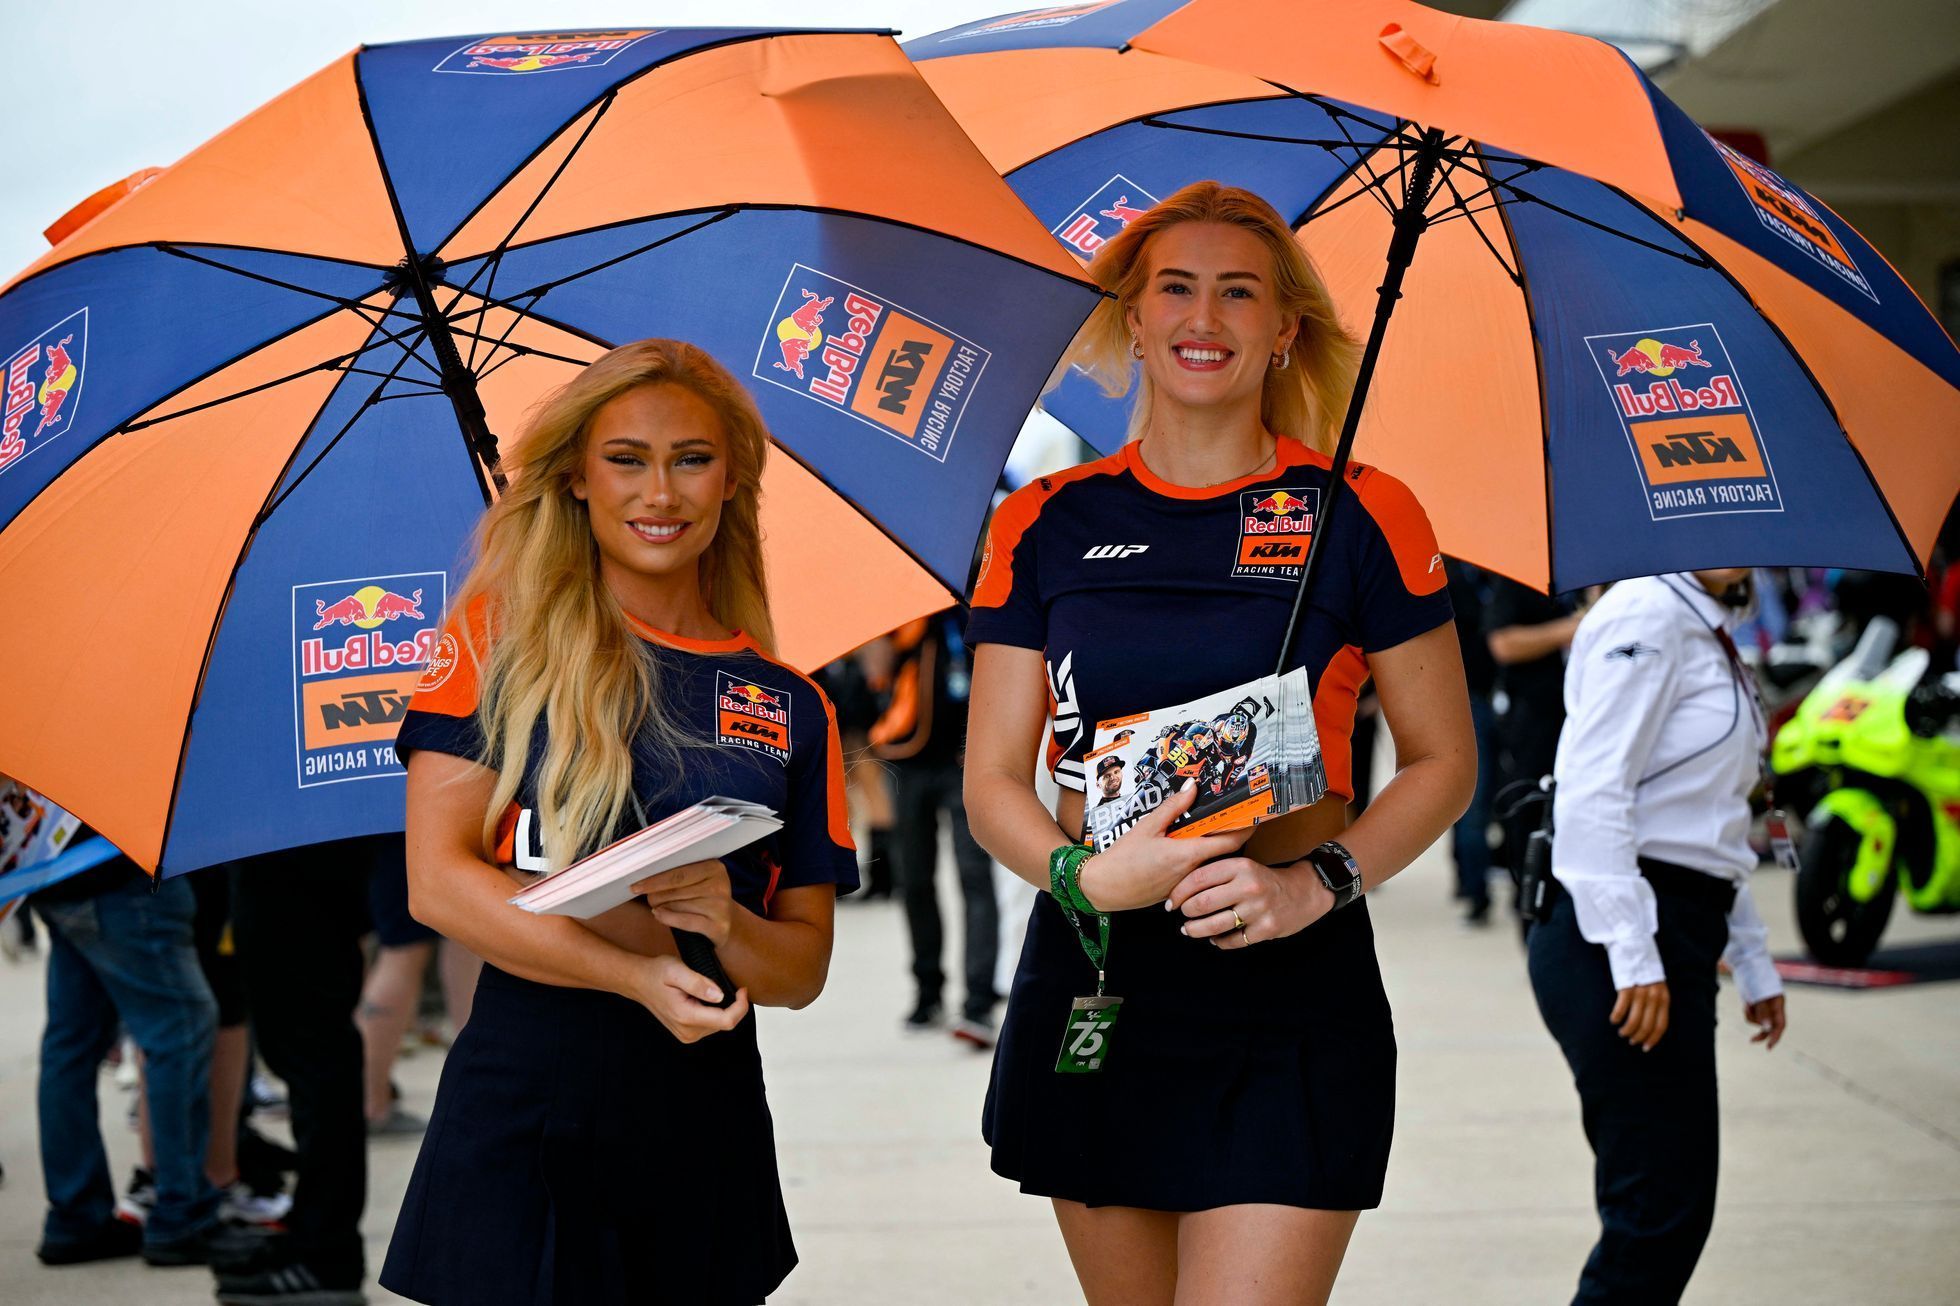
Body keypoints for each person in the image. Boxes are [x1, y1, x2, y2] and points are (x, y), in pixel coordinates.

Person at [963, 182, 1475, 1306]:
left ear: (1283, 328)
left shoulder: (1363, 510)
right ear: (1131, 320)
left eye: (1239, 292)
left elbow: (1445, 761)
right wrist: (1080, 876)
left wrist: (1317, 885)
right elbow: (993, 779)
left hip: (1289, 981)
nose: (1206, 317)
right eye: (1175, 289)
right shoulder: (1041, 519)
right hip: (1100, 974)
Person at [379, 339, 856, 1306]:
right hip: (526, 1091)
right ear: (578, 481)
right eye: (626, 459)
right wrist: (635, 976)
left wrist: (725, 919)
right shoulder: (494, 642)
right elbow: (437, 883)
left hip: (701, 1105)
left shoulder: (791, 704)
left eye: (690, 458)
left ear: (732, 481)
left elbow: (800, 972)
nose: (661, 492)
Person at [1529, 569, 1790, 1305]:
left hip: (1671, 925)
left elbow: (1710, 820)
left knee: (1666, 1203)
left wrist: (1754, 960)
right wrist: (1635, 958)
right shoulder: (1645, 612)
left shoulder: (1706, 623)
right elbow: (1593, 793)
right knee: (1656, 1212)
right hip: (1617, 936)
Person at [29, 842, 228, 1267]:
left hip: (57, 868)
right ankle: (184, 1213)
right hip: (120, 869)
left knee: (70, 1048)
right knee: (181, 1028)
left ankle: (76, 1216)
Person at [869, 610, 998, 1044]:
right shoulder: (902, 609)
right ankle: (928, 993)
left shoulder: (980, 605)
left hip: (968, 760)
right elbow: (876, 673)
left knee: (975, 878)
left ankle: (978, 1002)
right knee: (914, 880)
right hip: (907, 760)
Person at [1445, 559, 1499, 923]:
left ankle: (1482, 877)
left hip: (1510, 695)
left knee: (1495, 795)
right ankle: (1473, 886)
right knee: (1471, 800)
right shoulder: (1447, 575)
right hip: (1466, 698)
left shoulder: (1504, 575)